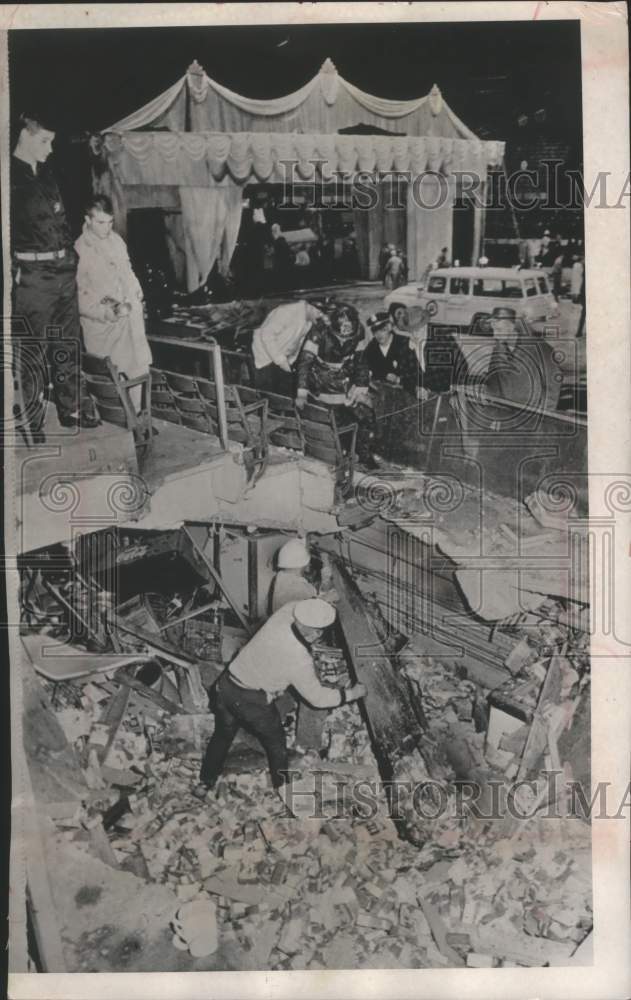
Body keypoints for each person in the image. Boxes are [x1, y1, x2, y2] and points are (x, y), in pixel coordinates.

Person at [194, 599, 366, 797]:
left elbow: (296, 605)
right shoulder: (299, 659)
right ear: (316, 634)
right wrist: (354, 693)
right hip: (251, 701)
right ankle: (284, 790)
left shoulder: (282, 616)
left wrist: (321, 601)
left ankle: (205, 782)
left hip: (225, 686)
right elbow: (318, 698)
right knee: (276, 744)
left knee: (222, 736)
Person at [11, 111, 99, 434]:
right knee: (31, 348)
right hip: (34, 275)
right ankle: (30, 417)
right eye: (45, 141)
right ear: (25, 136)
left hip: (63, 270)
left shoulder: (48, 174)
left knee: (68, 342)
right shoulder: (10, 179)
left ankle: (73, 408)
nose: (50, 149)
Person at [74, 195, 152, 412]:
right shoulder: (79, 250)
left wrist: (137, 291)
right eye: (100, 222)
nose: (106, 228)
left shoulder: (117, 241)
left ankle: (138, 422)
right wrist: (106, 313)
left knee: (138, 370)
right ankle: (116, 425)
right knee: (109, 384)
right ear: (87, 219)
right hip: (103, 328)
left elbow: (128, 272)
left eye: (110, 222)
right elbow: (79, 297)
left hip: (129, 321)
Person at [295, 302, 379, 470]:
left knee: (367, 415)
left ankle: (363, 454)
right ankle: (337, 455)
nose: (343, 341)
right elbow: (304, 363)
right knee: (333, 418)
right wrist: (302, 391)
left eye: (347, 338)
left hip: (344, 377)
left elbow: (361, 361)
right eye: (340, 337)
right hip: (319, 377)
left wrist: (361, 387)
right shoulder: (319, 332)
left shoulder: (359, 333)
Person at [484, 306, 562, 410]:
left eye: (499, 330)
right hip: (506, 413)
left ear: (511, 327)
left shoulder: (539, 348)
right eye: (494, 330)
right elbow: (492, 381)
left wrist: (545, 411)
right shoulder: (498, 349)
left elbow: (553, 381)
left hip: (533, 413)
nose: (495, 335)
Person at [251, 300, 325, 396]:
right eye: (319, 312)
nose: (322, 316)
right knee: (266, 393)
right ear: (309, 306)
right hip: (264, 354)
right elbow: (266, 335)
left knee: (283, 391)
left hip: (281, 354)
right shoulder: (287, 311)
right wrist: (281, 361)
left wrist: (290, 361)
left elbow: (297, 341)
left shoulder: (309, 320)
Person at [363, 311, 420, 395]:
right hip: (380, 394)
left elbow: (417, 374)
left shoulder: (405, 344)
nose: (379, 334)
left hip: (405, 394)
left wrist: (399, 380)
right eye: (375, 331)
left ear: (389, 327)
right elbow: (365, 368)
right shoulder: (371, 348)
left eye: (383, 330)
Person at [268, 537, 317, 613]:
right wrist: (326, 599)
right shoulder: (302, 588)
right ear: (301, 565)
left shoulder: (279, 576)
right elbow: (315, 607)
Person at [270, 222, 292, 288]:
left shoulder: (278, 242)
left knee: (280, 280)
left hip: (280, 264)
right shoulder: (282, 241)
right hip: (284, 264)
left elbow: (277, 253)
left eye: (273, 231)